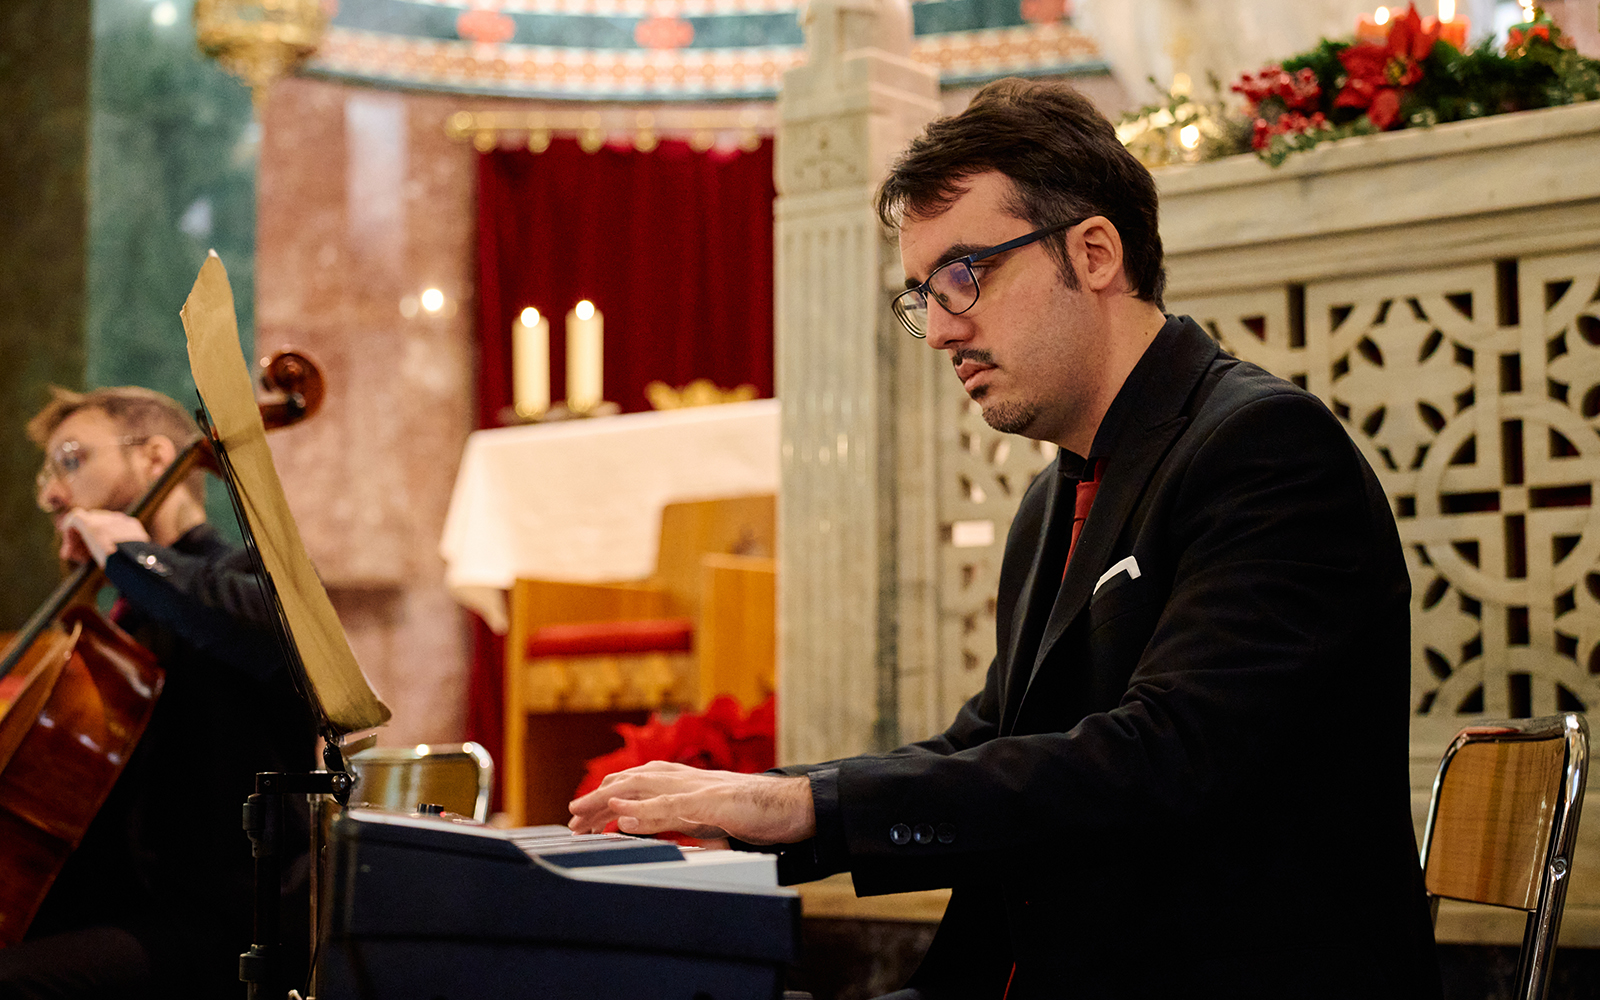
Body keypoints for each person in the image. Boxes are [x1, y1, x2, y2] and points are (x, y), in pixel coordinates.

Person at [570, 78, 1442, 998]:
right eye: (924, 295)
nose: (941, 331)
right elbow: (991, 741)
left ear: (1094, 253)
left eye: (965, 275)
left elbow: (1162, 758)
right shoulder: (1054, 496)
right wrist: (751, 809)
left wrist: (806, 805)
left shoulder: (1264, 448)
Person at [0, 386, 317, 999]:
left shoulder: (246, 577)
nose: (51, 495)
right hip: (126, 911)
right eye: (48, 473)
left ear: (154, 457)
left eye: (71, 460)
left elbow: (271, 636)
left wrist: (129, 554)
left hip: (226, 926)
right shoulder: (126, 621)